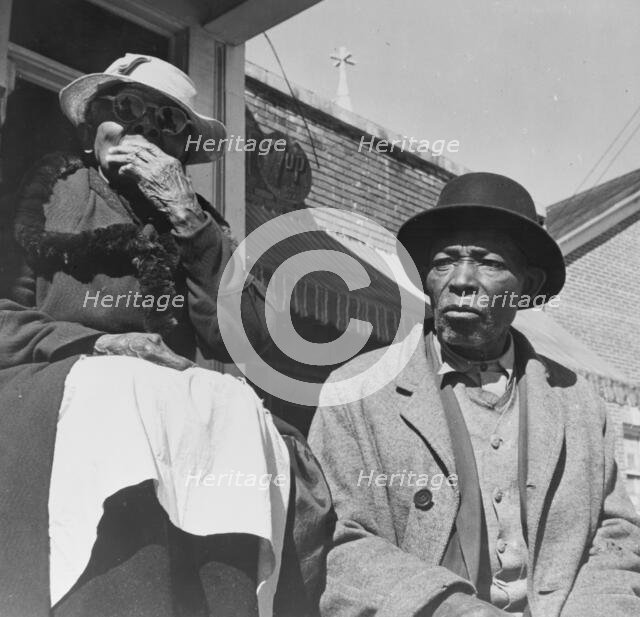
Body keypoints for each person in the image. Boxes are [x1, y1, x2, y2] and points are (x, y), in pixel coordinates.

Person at [0, 54, 331, 617]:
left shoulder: (198, 221)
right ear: (93, 121)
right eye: (125, 111)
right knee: (120, 395)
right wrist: (97, 344)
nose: (142, 130)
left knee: (239, 415)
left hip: (172, 404)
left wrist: (186, 217)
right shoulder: (43, 190)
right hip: (53, 383)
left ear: (183, 149)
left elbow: (242, 340)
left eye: (166, 122)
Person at [308, 172, 640, 617]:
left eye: (488, 262)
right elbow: (337, 540)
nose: (461, 280)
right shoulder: (359, 391)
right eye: (445, 262)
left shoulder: (578, 401)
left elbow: (615, 536)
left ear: (528, 286)